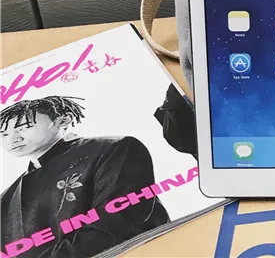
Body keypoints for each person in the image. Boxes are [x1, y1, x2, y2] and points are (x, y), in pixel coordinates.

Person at [0, 95, 169, 258]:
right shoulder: (6, 197)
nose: (12, 140)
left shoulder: (113, 148)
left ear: (63, 120)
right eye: (3, 134)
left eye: (23, 128)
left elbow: (118, 217)